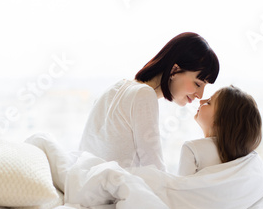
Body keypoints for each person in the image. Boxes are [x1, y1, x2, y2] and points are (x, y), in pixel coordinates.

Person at [79, 32, 220, 171]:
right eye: (198, 84)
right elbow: (154, 169)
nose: (200, 95)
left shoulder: (114, 88)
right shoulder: (144, 94)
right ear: (174, 70)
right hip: (114, 192)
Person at [178, 85, 262, 176]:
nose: (201, 101)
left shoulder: (191, 149)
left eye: (209, 102)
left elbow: (181, 187)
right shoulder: (247, 158)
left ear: (220, 121)